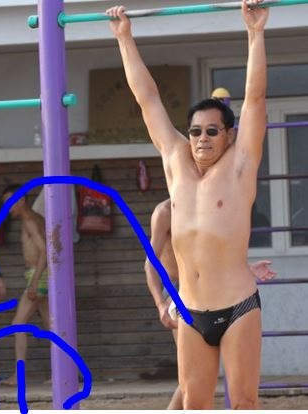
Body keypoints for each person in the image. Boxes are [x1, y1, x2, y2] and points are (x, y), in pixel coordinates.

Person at [108, 0, 269, 408]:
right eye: (195, 131)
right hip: (190, 310)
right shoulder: (175, 162)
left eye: (212, 131)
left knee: (244, 403)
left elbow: (255, 100)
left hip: (237, 306)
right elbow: (148, 99)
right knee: (195, 405)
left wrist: (255, 33)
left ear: (229, 136)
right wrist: (124, 38)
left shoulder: (240, 165)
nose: (202, 138)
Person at [145, 198, 277, 409]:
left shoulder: (210, 206)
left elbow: (213, 258)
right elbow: (150, 264)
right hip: (178, 292)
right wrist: (160, 305)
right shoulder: (165, 212)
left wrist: (246, 268)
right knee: (192, 382)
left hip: (212, 290)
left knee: (198, 381)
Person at [0, 184, 50, 387]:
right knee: (51, 326)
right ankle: (67, 369)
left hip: (38, 276)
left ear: (21, 200)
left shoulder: (29, 221)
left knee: (18, 324)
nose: (7, 208)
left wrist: (35, 282)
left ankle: (18, 376)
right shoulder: (36, 218)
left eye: (9, 203)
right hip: (41, 276)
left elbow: (44, 251)